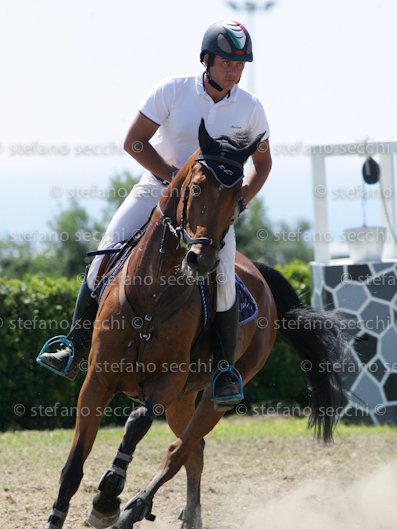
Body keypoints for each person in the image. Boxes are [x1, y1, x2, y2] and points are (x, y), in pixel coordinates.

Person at [38, 19, 272, 402]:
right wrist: (172, 180)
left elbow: (262, 165)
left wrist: (240, 200)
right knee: (105, 253)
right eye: (227, 62)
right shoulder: (173, 90)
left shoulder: (251, 108)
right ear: (207, 59)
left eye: (240, 65)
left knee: (224, 278)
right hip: (155, 192)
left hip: (208, 212)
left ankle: (223, 371)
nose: (234, 71)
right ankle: (74, 345)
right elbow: (134, 141)